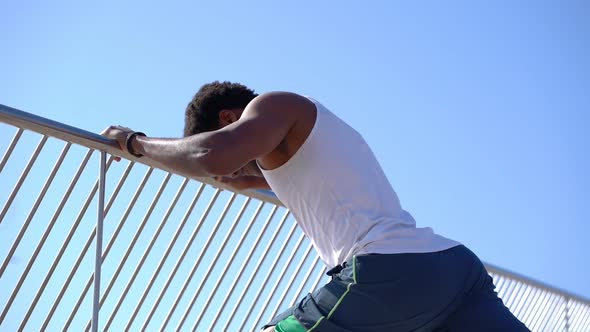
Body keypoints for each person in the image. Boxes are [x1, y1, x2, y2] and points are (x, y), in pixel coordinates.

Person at [101, 81, 530, 331]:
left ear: (230, 120)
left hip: (388, 274)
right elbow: (228, 171)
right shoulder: (309, 152)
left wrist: (134, 144)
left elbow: (212, 156)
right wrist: (229, 173)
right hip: (454, 271)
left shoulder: (275, 105)